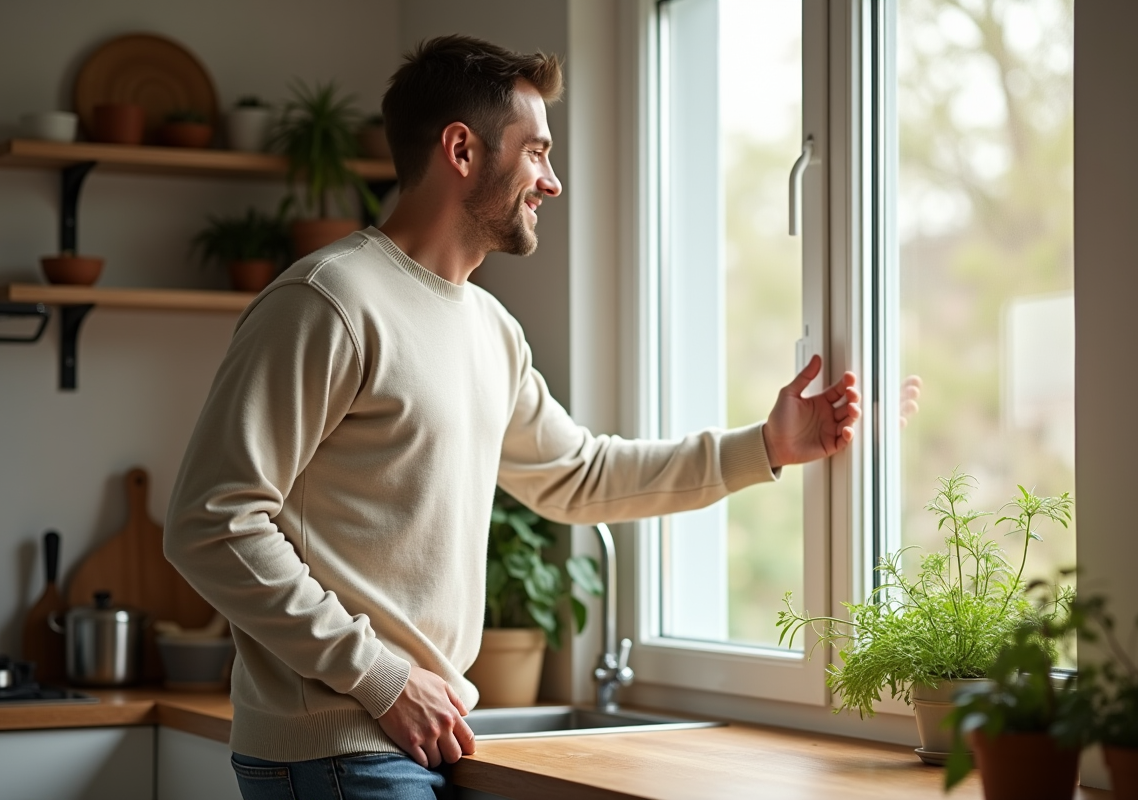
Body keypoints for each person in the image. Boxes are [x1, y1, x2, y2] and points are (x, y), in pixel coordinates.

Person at [164, 34, 861, 800]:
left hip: (413, 741)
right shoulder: (329, 302)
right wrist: (387, 680)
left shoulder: (490, 329)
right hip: (336, 750)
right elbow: (212, 520)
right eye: (536, 153)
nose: (552, 183)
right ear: (461, 150)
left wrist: (763, 446)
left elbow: (578, 476)